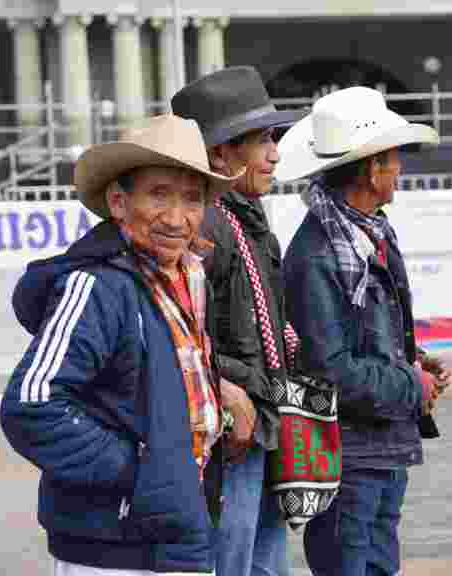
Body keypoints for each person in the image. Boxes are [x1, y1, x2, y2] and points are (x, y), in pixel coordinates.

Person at [0, 114, 240, 575]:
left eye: (192, 198)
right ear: (118, 201)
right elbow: (32, 406)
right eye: (158, 194)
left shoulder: (190, 275)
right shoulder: (96, 286)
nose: (176, 217)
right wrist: (144, 473)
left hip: (178, 537)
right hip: (113, 549)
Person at [275, 86, 452, 576]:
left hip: (379, 445)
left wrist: (410, 364)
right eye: (394, 159)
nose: (399, 170)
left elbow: (365, 341)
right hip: (348, 456)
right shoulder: (319, 254)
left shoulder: (364, 234)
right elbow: (328, 369)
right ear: (373, 169)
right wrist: (408, 384)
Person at [171, 65, 306, 576]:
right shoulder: (209, 223)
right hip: (234, 431)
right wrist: (229, 386)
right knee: (239, 563)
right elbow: (177, 331)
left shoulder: (246, 219)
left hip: (259, 422)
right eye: (261, 140)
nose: (274, 153)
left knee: (263, 562)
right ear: (220, 154)